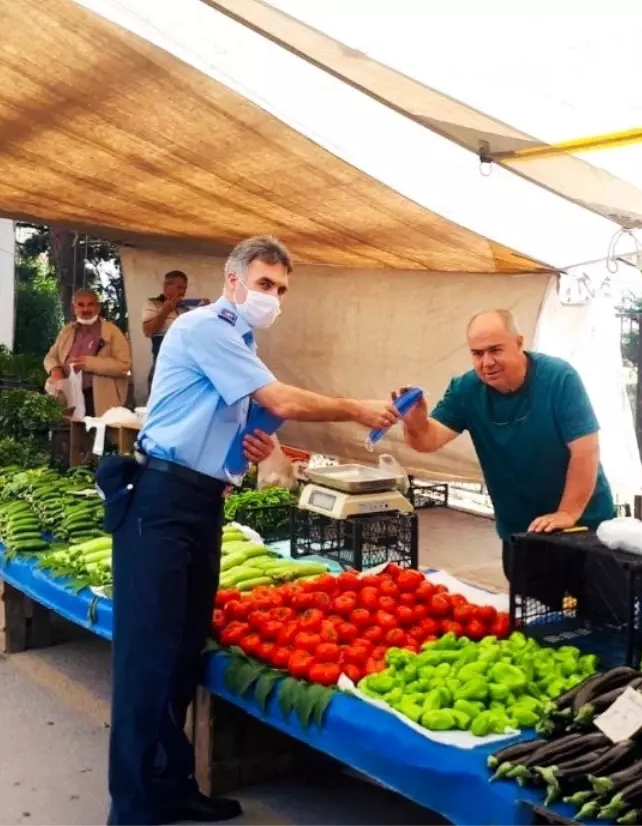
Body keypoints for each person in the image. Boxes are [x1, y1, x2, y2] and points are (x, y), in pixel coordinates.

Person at [102, 235, 399, 826]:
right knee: (147, 660)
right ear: (233, 281)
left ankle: (172, 784)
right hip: (159, 502)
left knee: (185, 651)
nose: (273, 298)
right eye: (265, 285)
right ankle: (132, 808)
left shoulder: (242, 342)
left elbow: (241, 416)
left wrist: (250, 446)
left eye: (282, 289)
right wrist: (355, 408)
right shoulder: (203, 326)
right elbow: (279, 396)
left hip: (201, 503)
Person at [395, 308, 616, 584]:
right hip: (521, 532)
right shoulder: (465, 389)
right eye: (477, 353)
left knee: (599, 615)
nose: (487, 362)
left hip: (586, 525)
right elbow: (429, 440)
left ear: (520, 343)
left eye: (495, 350)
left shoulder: (559, 378)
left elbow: (586, 449)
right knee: (528, 617)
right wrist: (415, 423)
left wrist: (567, 512)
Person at [44, 288, 132, 417]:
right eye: (81, 305)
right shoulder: (67, 331)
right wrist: (56, 370)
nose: (86, 309)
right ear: (74, 308)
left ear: (98, 307)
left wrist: (89, 363)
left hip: (99, 398)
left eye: (90, 304)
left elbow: (124, 365)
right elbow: (51, 356)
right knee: (72, 435)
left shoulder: (112, 332)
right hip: (69, 397)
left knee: (98, 435)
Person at [141, 270, 207, 388]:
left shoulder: (184, 309)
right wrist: (166, 310)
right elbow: (148, 331)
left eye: (184, 288)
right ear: (166, 286)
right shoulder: (152, 304)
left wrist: (204, 312)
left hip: (185, 365)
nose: (182, 292)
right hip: (163, 364)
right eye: (179, 287)